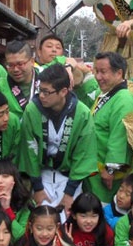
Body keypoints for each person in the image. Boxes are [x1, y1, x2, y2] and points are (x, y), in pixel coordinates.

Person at [17, 63, 96, 211]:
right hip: (41, 175)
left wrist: (69, 193)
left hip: (69, 176)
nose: (41, 96)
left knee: (68, 218)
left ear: (63, 91)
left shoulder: (82, 113)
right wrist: (38, 188)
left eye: (47, 92)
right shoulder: (32, 110)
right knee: (42, 219)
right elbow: (29, 150)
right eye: (40, 90)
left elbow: (83, 153)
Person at [88, 52, 133, 204]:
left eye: (103, 72)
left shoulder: (123, 99)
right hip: (95, 169)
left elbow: (120, 137)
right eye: (96, 71)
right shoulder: (105, 94)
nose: (98, 77)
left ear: (119, 73)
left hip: (108, 174)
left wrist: (110, 170)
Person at [0, 39, 38, 122]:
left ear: (32, 61)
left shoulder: (45, 80)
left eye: (20, 64)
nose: (15, 69)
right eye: (10, 65)